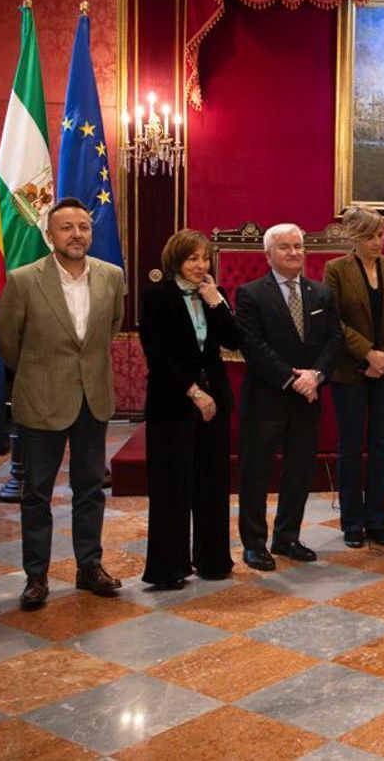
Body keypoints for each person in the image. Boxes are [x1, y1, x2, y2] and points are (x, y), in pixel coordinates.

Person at [0, 197, 127, 611]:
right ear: (50, 235)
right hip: (40, 398)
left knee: (89, 489)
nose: (77, 235)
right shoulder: (23, 280)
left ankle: (90, 567)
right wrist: (40, 372)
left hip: (93, 397)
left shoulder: (111, 276)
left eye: (84, 227)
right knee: (36, 493)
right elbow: (7, 342)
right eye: (67, 228)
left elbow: (110, 328)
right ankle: (36, 577)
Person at [235, 223, 344, 571]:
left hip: (308, 397)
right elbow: (252, 346)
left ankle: (287, 537)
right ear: (268, 255)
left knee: (299, 471)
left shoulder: (321, 293)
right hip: (267, 398)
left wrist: (316, 376)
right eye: (285, 247)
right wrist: (289, 378)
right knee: (257, 474)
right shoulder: (251, 294)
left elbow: (335, 341)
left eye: (298, 246)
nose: (295, 252)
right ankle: (254, 544)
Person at [138, 229, 239, 587]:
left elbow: (234, 339)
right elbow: (159, 355)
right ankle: (169, 568)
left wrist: (217, 302)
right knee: (172, 487)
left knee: (212, 484)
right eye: (193, 258)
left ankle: (212, 561)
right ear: (176, 260)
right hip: (173, 402)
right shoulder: (156, 298)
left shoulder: (215, 294)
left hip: (215, 403)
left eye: (205, 258)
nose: (200, 265)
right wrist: (194, 393)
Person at [323, 205, 384, 549]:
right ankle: (352, 522)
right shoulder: (336, 270)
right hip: (350, 370)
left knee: (381, 447)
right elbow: (334, 321)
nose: (377, 242)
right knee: (351, 448)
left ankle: (377, 519)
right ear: (354, 237)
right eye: (370, 236)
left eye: (381, 235)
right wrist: (368, 353)